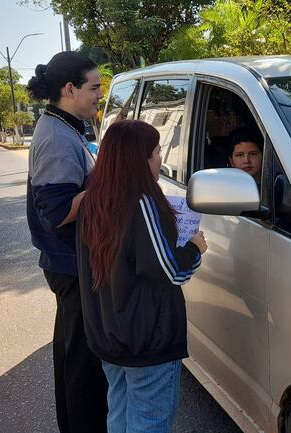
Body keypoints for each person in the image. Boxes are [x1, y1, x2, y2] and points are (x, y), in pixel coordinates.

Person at [77, 119, 207, 433]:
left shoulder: (91, 201)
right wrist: (194, 247)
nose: (161, 159)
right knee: (149, 421)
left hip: (108, 332)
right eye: (157, 152)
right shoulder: (142, 203)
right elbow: (170, 270)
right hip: (146, 338)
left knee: (120, 413)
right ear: (141, 159)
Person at [25, 51, 108, 433]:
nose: (99, 95)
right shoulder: (57, 135)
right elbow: (57, 211)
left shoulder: (66, 124)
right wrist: (111, 181)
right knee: (83, 365)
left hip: (69, 260)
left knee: (73, 354)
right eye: (94, 87)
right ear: (69, 88)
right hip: (70, 263)